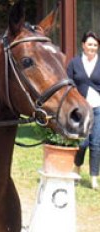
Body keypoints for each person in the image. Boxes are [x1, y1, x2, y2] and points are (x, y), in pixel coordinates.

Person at [67, 31, 100, 190]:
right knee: (82, 143)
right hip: (80, 110)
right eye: (89, 44)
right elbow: (69, 85)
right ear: (83, 45)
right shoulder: (74, 63)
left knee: (96, 143)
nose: (92, 47)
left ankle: (94, 179)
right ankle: (76, 170)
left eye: (95, 44)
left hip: (98, 109)